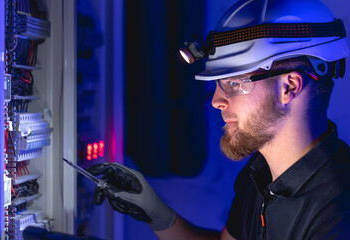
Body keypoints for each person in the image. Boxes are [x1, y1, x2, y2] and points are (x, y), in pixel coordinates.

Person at [87, 0, 350, 239]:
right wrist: (158, 214)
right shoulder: (259, 173)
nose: (216, 101)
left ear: (288, 87)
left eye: (233, 83)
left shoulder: (338, 212)